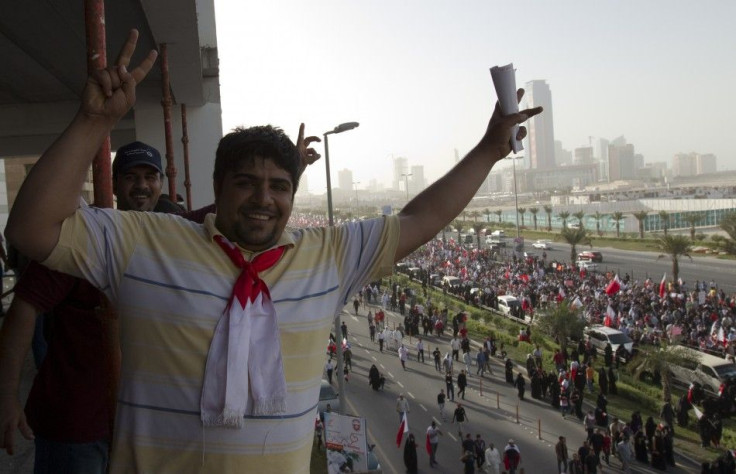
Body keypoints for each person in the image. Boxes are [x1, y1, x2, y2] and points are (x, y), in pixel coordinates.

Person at [4, 29, 540, 472]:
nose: (264, 199)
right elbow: (30, 229)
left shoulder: (328, 256)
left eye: (279, 186)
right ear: (218, 186)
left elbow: (420, 218)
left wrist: (490, 150)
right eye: (246, 183)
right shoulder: (146, 240)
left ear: (292, 193)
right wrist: (93, 122)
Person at [0, 141, 216, 472]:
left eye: (150, 176)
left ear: (160, 183)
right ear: (113, 183)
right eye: (130, 176)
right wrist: (7, 395)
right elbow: (22, 311)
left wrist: (291, 170)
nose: (142, 185)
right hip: (76, 422)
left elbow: (225, 212)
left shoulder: (168, 234)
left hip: (138, 423)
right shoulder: (85, 238)